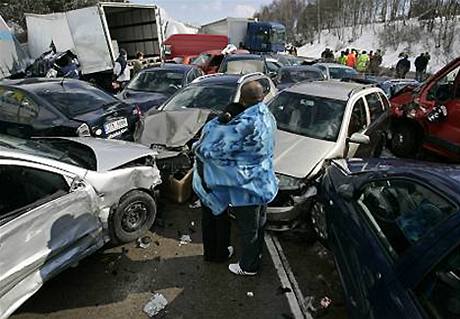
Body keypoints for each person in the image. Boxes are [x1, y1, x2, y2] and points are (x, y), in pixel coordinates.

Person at [192, 81, 278, 276]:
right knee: (259, 224)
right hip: (264, 180)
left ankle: (248, 267)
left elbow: (206, 150)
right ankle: (256, 256)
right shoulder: (266, 115)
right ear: (262, 97)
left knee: (248, 229)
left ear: (242, 98)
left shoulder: (243, 124)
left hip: (247, 188)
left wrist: (218, 122)